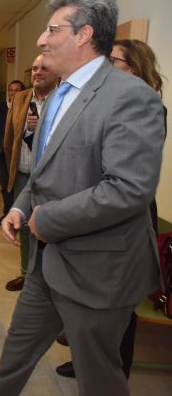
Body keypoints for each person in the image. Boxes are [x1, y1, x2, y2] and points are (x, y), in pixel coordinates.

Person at [0, 0, 165, 396]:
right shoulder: (58, 93)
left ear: (84, 35)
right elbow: (43, 170)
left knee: (97, 372)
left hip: (99, 268)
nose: (42, 39)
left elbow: (128, 189)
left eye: (51, 30)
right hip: (48, 261)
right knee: (20, 342)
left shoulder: (130, 97)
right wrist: (21, 207)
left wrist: (45, 219)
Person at [55, 37, 167, 380]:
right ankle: (85, 359)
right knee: (87, 296)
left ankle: (117, 372)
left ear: (131, 68)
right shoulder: (101, 102)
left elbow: (125, 180)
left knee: (117, 302)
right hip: (92, 210)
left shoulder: (145, 107)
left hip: (122, 216)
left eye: (113, 61)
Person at [2, 55, 58, 291]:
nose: (38, 72)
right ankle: (26, 274)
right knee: (22, 227)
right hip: (23, 174)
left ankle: (49, 280)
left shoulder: (63, 99)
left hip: (52, 179)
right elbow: (9, 138)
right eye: (34, 68)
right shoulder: (21, 99)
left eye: (44, 68)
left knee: (48, 229)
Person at [0, 80, 24, 226]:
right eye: (11, 90)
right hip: (2, 154)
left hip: (21, 155)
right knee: (6, 186)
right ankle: (7, 214)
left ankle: (20, 214)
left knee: (20, 185)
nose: (14, 93)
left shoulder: (28, 108)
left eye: (17, 90)